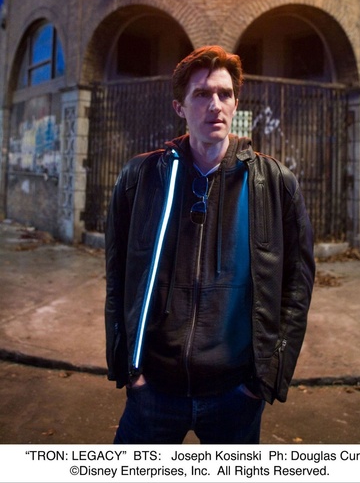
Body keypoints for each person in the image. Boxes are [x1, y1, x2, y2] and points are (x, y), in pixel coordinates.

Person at [105, 45, 315, 444]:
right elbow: (117, 277)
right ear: (180, 107)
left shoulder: (274, 183)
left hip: (235, 394)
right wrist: (128, 369)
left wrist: (265, 378)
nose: (214, 105)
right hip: (154, 390)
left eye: (224, 94)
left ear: (236, 104)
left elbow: (297, 285)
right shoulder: (141, 178)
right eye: (201, 94)